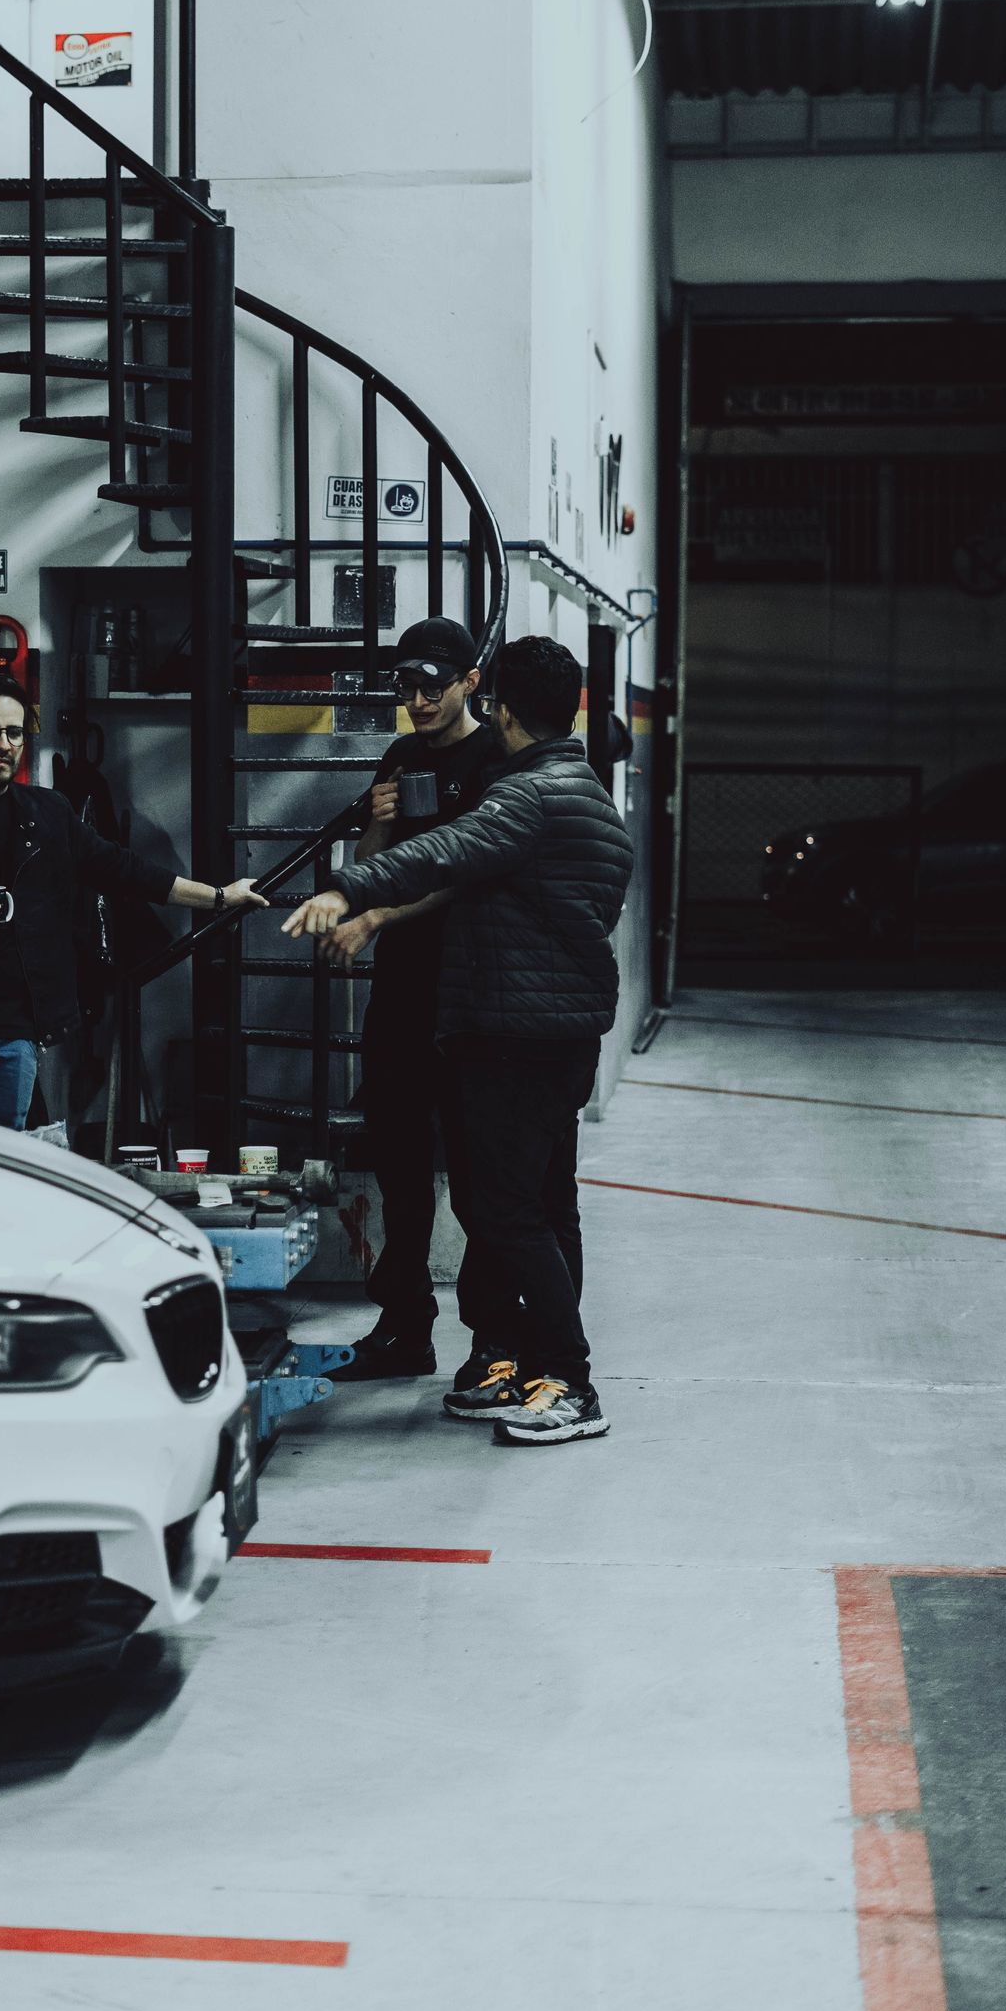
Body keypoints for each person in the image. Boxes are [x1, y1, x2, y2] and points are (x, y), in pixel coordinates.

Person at [283, 635, 633, 1446]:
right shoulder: (585, 795)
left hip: (519, 1036)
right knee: (530, 1205)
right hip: (551, 1034)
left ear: (502, 708)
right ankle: (529, 1364)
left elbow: (444, 849)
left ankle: (568, 1382)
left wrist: (350, 891)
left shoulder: (530, 795)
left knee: (505, 1210)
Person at [0, 669, 268, 1129]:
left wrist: (218, 897)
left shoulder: (46, 812)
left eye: (14, 732)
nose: (4, 744)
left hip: (16, 1024)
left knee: (6, 1148)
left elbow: (124, 870)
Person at [345, 616, 496, 1380]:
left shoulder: (496, 757)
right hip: (402, 990)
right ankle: (406, 1329)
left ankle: (491, 1344)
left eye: (433, 685)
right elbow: (376, 866)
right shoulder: (403, 754)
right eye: (407, 686)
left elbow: (464, 878)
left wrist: (377, 912)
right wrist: (375, 830)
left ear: (471, 681)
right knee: (400, 1174)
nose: (418, 699)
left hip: (468, 992)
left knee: (475, 1181)